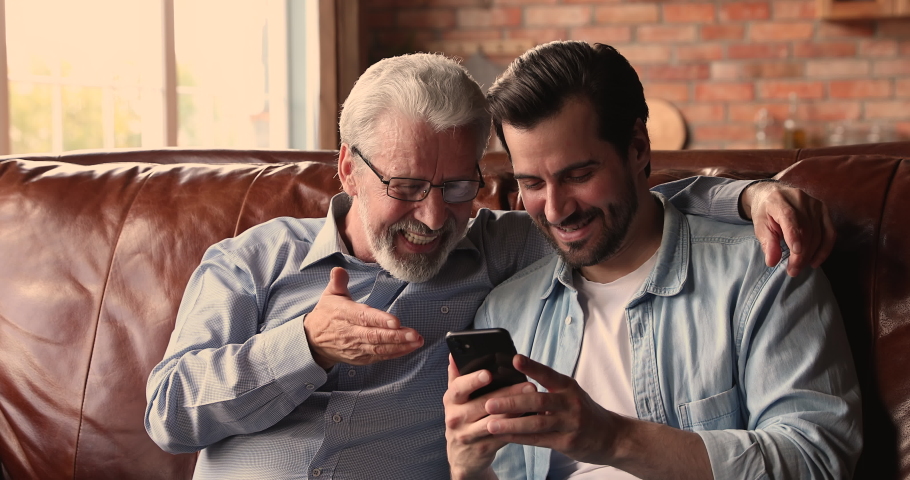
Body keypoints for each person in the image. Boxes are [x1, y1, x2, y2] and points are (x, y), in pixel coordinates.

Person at [145, 51, 836, 479]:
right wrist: (304, 346)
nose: (435, 218)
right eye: (407, 187)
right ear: (349, 170)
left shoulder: (503, 250)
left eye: (456, 187)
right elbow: (169, 414)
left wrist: (745, 193)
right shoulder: (250, 261)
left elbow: (629, 213)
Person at [443, 41, 860, 480]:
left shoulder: (764, 272)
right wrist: (469, 471)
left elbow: (816, 460)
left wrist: (613, 440)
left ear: (638, 147)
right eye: (532, 183)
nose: (554, 210)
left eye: (579, 175)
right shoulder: (506, 311)